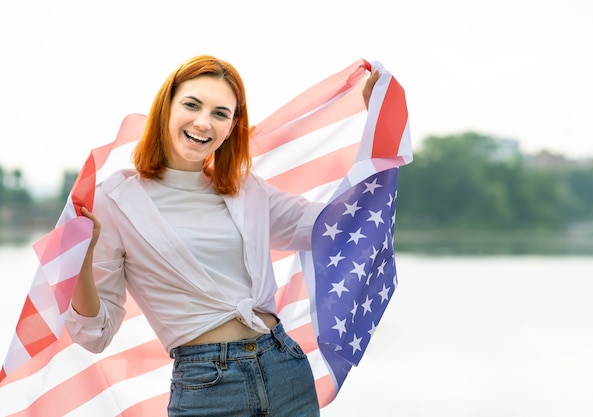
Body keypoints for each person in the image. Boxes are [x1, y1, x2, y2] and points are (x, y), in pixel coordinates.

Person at [66, 54, 380, 417]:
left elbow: (339, 229)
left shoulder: (246, 191)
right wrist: (81, 260)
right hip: (207, 386)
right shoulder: (115, 200)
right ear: (166, 108)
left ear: (231, 127)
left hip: (285, 370)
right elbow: (94, 335)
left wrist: (377, 127)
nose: (203, 122)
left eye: (220, 113)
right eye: (192, 104)